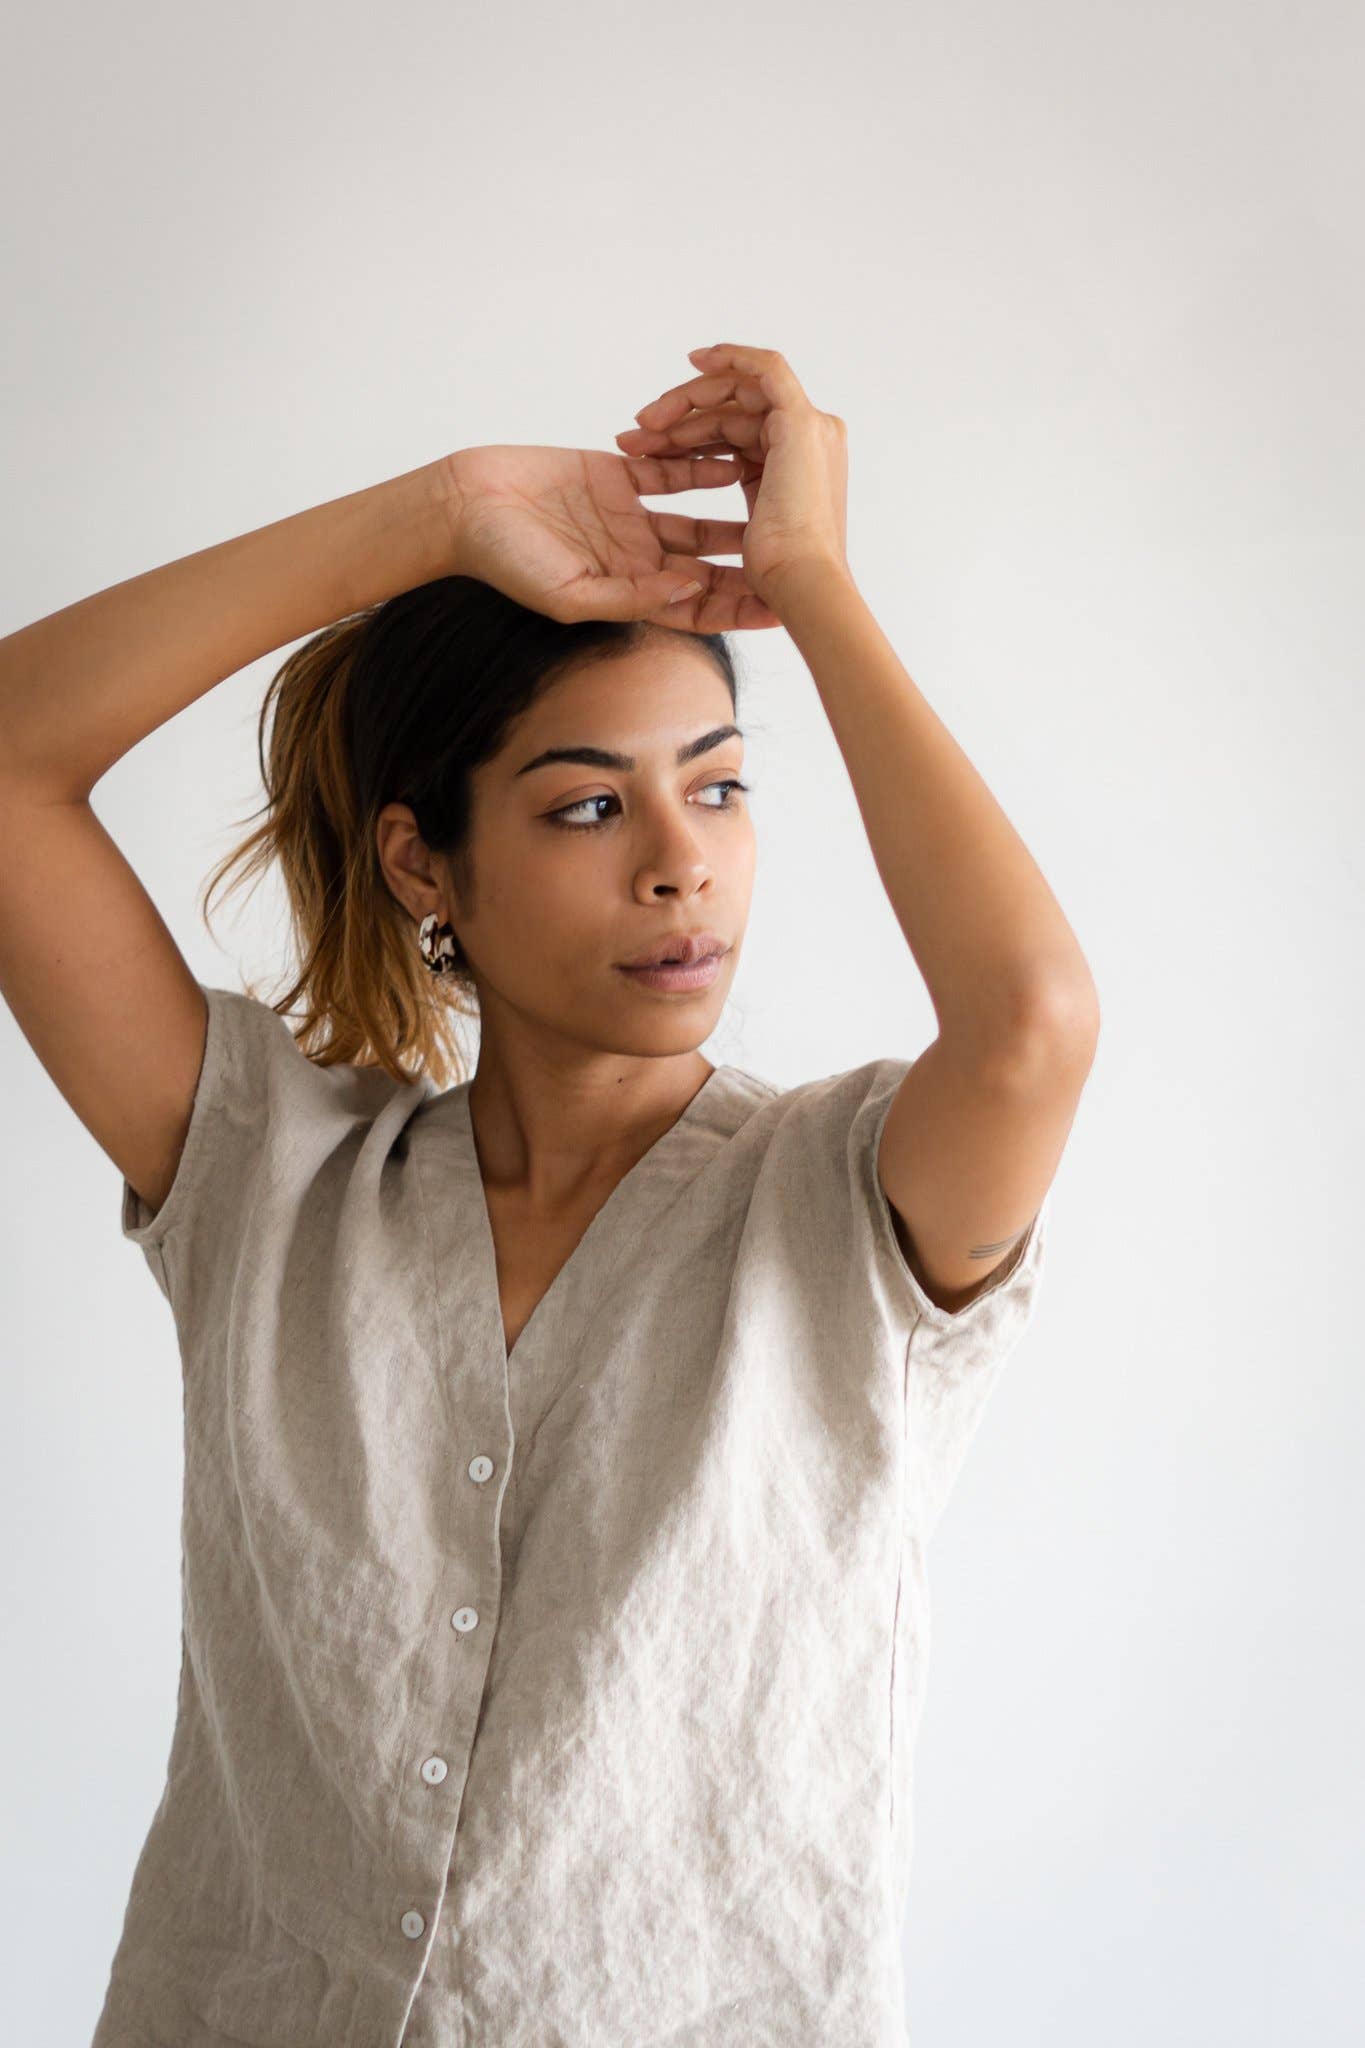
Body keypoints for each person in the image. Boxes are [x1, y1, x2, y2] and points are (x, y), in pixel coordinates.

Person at [0, 343, 1099, 2047]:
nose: (680, 861)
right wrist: (439, 513)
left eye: (718, 786)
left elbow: (1032, 1019)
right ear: (422, 862)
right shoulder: (270, 1183)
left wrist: (812, 583)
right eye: (590, 805)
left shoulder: (844, 1217)